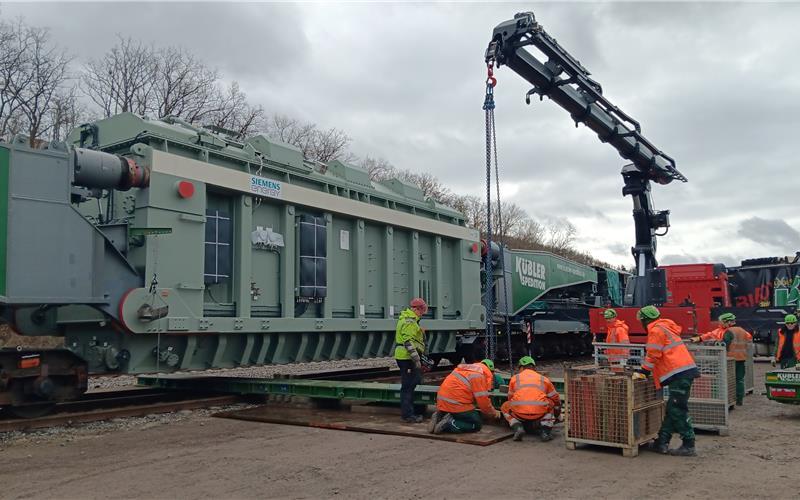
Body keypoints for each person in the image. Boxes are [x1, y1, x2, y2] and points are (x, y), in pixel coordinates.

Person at [634, 305, 699, 457]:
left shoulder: (656, 330)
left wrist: (643, 371)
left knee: (677, 409)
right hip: (682, 373)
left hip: (679, 374)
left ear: (645, 320)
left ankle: (689, 444)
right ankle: (661, 442)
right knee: (672, 409)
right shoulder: (665, 327)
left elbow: (653, 354)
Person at [691, 313, 752, 405]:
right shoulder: (742, 331)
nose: (720, 324)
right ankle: (739, 401)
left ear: (727, 322)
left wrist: (715, 343)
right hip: (741, 358)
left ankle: (726, 401)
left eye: (721, 322)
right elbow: (747, 340)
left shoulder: (728, 332)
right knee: (739, 380)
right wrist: (700, 338)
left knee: (726, 380)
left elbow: (724, 344)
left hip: (729, 359)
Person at [429, 357, 501, 434]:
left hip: (441, 401)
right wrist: (493, 412)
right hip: (457, 404)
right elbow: (483, 402)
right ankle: (448, 424)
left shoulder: (464, 369)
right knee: (475, 424)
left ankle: (441, 415)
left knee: (463, 413)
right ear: (491, 371)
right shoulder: (479, 376)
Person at [500, 356, 561, 442]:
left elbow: (510, 398)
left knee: (505, 406)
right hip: (539, 414)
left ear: (521, 367)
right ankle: (545, 431)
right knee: (551, 403)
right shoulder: (544, 379)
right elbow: (555, 397)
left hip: (519, 414)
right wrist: (557, 409)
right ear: (534, 367)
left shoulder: (515, 378)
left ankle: (517, 427)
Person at [394, 297, 428, 423]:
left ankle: (414, 410)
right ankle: (408, 415)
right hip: (406, 358)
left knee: (414, 382)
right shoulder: (410, 321)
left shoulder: (410, 320)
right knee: (408, 387)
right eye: (422, 311)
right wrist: (417, 360)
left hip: (406, 357)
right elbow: (408, 342)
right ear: (418, 309)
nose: (422, 314)